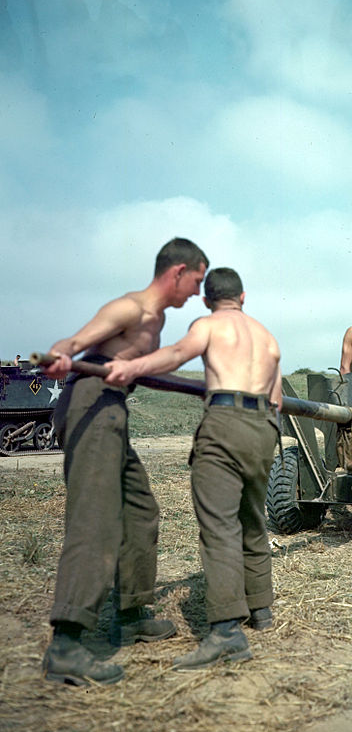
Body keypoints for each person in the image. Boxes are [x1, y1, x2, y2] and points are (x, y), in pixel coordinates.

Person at [41, 237, 209, 686]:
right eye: (195, 280)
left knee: (140, 512)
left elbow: (143, 367)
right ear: (177, 271)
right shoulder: (131, 308)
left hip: (113, 408)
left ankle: (131, 614)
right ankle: (67, 643)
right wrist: (62, 353)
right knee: (95, 521)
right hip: (92, 403)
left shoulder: (154, 322)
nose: (196, 292)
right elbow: (75, 340)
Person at [105, 267, 282, 670]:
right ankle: (261, 610)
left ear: (207, 299)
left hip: (225, 423)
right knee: (253, 519)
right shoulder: (267, 337)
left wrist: (131, 367)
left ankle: (225, 632)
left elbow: (176, 355)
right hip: (264, 428)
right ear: (243, 296)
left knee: (219, 526)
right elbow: (277, 400)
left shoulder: (209, 324)